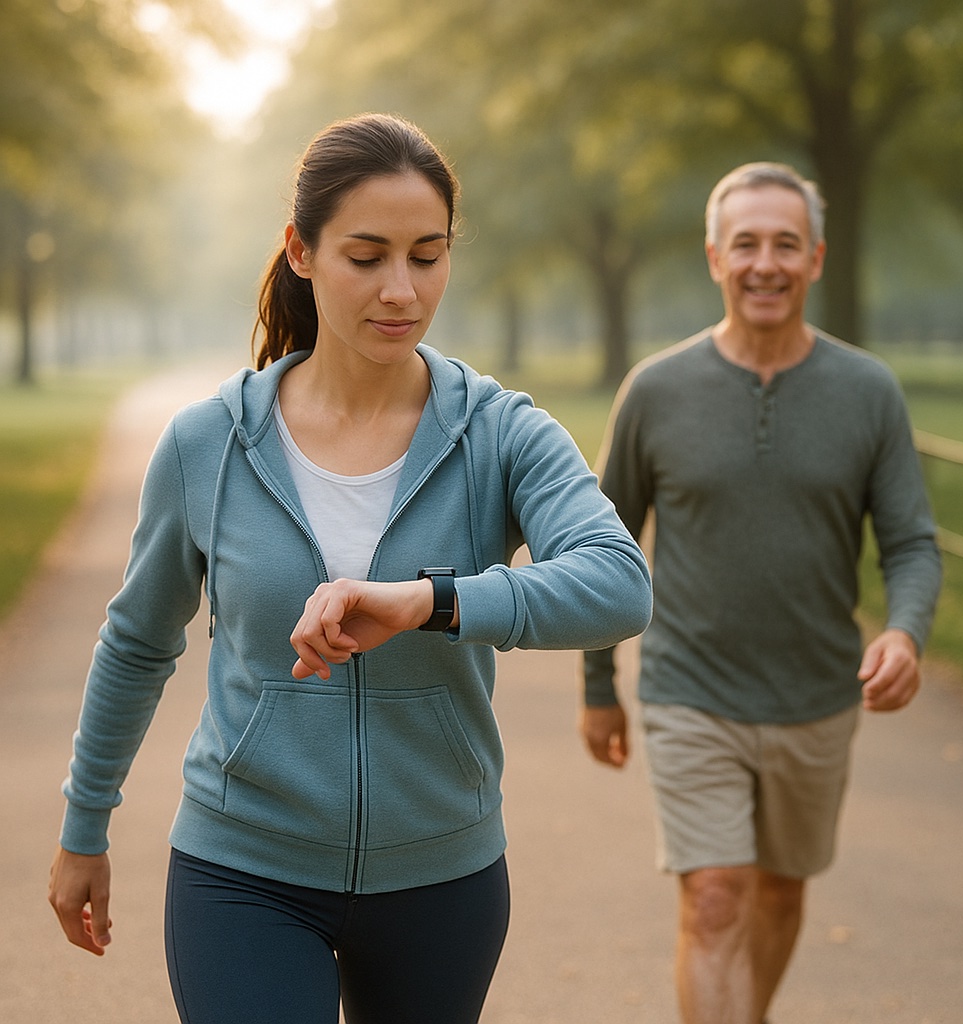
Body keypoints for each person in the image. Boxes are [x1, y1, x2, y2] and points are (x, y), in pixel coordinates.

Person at [49, 112, 652, 1024]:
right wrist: (84, 826)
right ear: (302, 251)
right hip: (241, 868)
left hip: (442, 874)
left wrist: (433, 601)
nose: (402, 290)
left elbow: (618, 581)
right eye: (366, 257)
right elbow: (137, 642)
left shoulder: (502, 433)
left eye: (428, 254)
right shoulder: (207, 444)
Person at [580, 162, 942, 1024]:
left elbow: (912, 543)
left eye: (786, 244)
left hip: (817, 696)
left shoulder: (868, 393)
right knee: (715, 895)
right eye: (746, 244)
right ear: (716, 257)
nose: (765, 263)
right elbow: (600, 546)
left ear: (816, 258)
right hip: (689, 689)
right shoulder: (657, 390)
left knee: (779, 892)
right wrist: (600, 687)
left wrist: (906, 633)